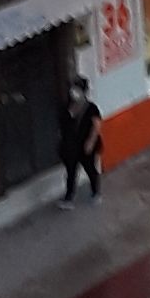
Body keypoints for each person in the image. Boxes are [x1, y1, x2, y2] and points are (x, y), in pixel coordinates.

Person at [58, 77, 102, 207]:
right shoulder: (67, 107)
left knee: (90, 169)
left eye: (77, 89)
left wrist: (90, 142)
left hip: (86, 145)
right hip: (71, 146)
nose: (74, 92)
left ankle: (96, 192)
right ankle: (69, 198)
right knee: (71, 172)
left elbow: (97, 125)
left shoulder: (91, 108)